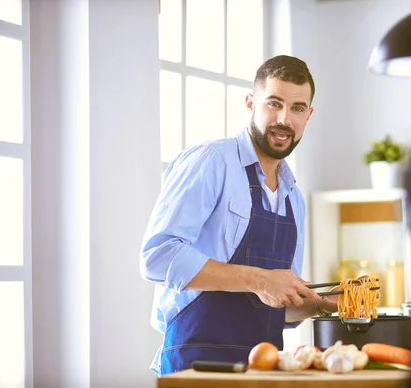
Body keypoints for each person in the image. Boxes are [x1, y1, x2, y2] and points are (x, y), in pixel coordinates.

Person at [140, 55, 339, 375]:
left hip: (264, 368)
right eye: (273, 103)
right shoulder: (211, 161)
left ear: (308, 115)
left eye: (297, 108)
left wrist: (320, 305)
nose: (284, 119)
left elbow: (277, 304)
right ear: (251, 103)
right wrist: (259, 279)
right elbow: (158, 256)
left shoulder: (293, 198)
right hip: (196, 365)